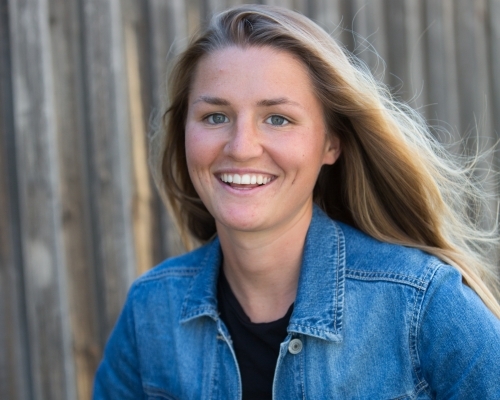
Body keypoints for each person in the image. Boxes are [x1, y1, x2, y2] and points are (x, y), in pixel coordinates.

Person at [93, 4, 500, 399]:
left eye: (278, 118)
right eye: (216, 116)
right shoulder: (150, 312)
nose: (242, 147)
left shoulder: (423, 305)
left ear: (331, 142)